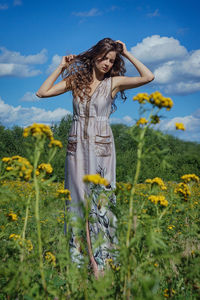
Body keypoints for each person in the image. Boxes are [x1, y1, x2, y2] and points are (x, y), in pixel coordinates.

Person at [36, 37, 154, 278]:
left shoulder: (114, 83)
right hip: (76, 147)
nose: (107, 64)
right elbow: (42, 92)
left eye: (112, 61)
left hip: (102, 150)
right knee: (77, 203)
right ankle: (80, 264)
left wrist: (127, 54)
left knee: (102, 204)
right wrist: (61, 67)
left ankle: (104, 265)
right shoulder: (75, 82)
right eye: (104, 58)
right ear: (94, 57)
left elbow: (148, 76)